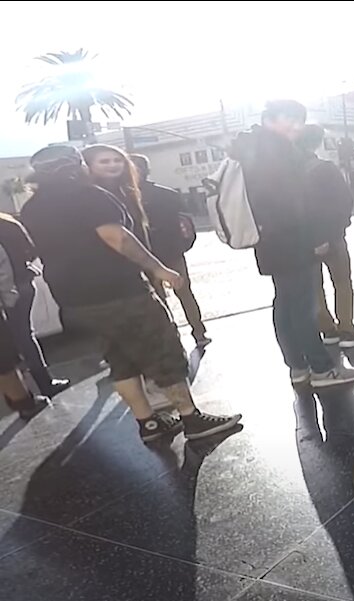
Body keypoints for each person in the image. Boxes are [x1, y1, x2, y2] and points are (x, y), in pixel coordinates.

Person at [20, 145, 240, 442]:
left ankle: (147, 424)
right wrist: (159, 268)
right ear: (75, 166)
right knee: (163, 352)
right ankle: (192, 419)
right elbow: (116, 237)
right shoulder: (89, 196)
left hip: (72, 298)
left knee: (119, 359)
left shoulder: (32, 207)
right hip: (118, 290)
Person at [231, 100, 354, 387]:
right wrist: (315, 238)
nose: (295, 125)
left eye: (299, 120)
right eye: (288, 119)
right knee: (302, 307)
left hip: (269, 242)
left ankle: (297, 366)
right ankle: (321, 369)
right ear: (269, 119)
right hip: (292, 241)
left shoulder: (253, 147)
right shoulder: (276, 152)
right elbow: (289, 204)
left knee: (285, 305)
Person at [295, 125, 354, 350]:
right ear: (315, 144)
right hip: (332, 236)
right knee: (341, 282)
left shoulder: (290, 173)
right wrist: (338, 229)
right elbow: (344, 200)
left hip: (304, 240)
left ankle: (327, 328)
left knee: (315, 286)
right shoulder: (325, 169)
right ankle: (347, 329)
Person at [130, 153, 209, 348]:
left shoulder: (124, 198)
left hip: (147, 255)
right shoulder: (167, 194)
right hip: (170, 252)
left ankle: (173, 336)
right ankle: (198, 332)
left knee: (159, 298)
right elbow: (180, 223)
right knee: (183, 293)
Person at [0, 212, 68, 398]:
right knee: (24, 335)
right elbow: (31, 249)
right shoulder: (8, 223)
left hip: (8, 288)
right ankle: (44, 382)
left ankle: (21, 392)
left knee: (10, 341)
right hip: (22, 283)